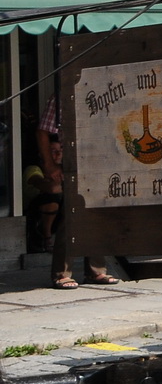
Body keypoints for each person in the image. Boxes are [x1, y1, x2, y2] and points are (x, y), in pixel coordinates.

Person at [34, 100, 118, 289]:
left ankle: (96, 270)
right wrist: (49, 164)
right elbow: (43, 130)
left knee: (96, 216)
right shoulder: (62, 95)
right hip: (75, 161)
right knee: (71, 217)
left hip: (100, 160)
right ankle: (62, 273)